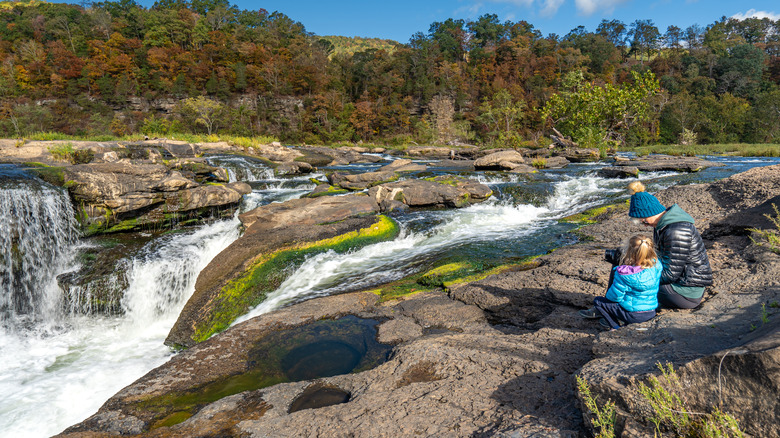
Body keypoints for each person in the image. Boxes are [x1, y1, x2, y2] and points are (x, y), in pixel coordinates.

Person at [626, 181, 713, 309]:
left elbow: (670, 274)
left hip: (685, 293)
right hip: (680, 284)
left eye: (643, 220)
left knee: (627, 279)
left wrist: (638, 275)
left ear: (650, 212)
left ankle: (612, 310)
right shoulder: (662, 226)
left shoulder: (676, 231)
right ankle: (610, 307)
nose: (644, 224)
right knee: (622, 268)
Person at [580, 235, 661, 330]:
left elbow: (614, 297)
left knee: (598, 301)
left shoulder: (625, 274)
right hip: (650, 312)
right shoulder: (657, 265)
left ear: (630, 253)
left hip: (632, 315)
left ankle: (615, 326)